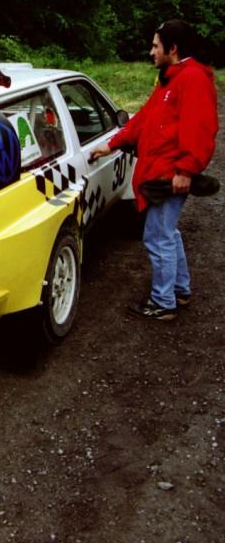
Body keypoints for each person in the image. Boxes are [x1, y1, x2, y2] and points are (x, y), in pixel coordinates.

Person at [90, 19, 219, 321]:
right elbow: (143, 119)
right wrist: (112, 144)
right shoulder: (169, 80)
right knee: (167, 234)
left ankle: (163, 303)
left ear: (172, 49)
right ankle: (180, 291)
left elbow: (200, 129)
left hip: (169, 175)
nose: (151, 52)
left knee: (157, 237)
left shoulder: (192, 79)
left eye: (156, 45)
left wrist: (186, 170)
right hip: (159, 172)